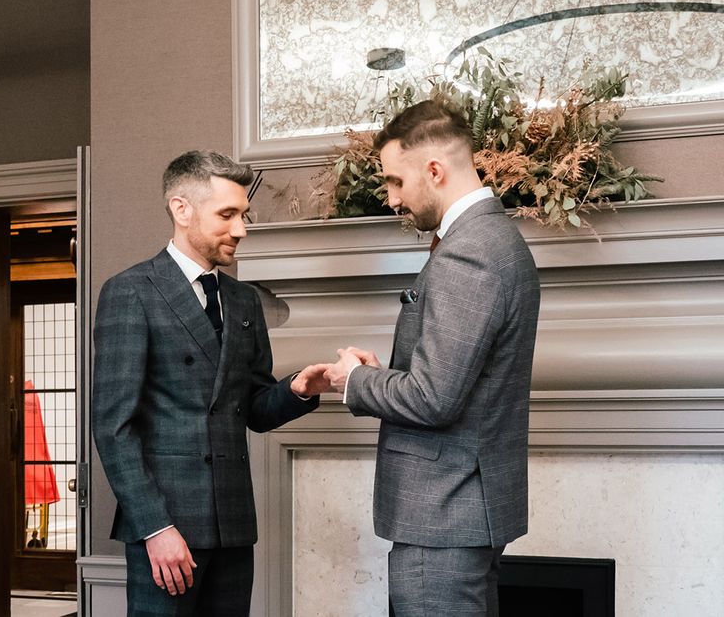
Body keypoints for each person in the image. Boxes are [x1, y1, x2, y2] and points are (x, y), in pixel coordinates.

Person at [326, 99, 541, 616]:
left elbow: (433, 399)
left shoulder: (469, 253)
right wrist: (384, 375)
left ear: (435, 170)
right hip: (463, 511)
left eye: (397, 182)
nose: (393, 199)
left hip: (443, 515)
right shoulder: (495, 240)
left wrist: (354, 380)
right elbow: (456, 379)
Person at [93, 150, 329, 617]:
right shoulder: (131, 291)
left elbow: (253, 411)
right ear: (182, 209)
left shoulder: (243, 300)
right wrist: (155, 528)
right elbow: (113, 428)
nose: (241, 229)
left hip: (234, 525)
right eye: (227, 215)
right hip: (166, 530)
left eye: (243, 215)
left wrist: (300, 387)